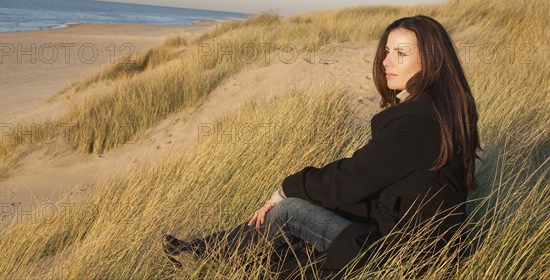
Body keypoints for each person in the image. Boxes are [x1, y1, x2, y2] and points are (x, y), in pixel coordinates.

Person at [162, 14, 481, 279]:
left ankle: (201, 255)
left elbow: (350, 180)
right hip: (416, 248)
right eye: (386, 51)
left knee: (288, 212)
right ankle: (211, 256)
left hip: (401, 257)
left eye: (401, 53)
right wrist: (315, 197)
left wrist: (287, 189)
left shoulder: (416, 121)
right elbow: (378, 186)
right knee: (283, 254)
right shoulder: (444, 109)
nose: (386, 62)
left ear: (431, 58)